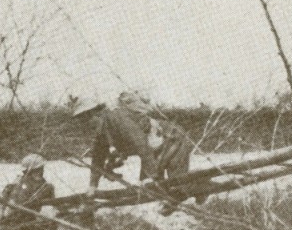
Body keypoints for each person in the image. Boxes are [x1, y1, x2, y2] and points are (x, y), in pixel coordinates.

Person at [72, 92, 201, 214]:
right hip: (155, 148)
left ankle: (201, 187)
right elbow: (98, 158)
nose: (85, 125)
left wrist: (150, 177)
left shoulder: (118, 118)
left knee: (175, 184)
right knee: (156, 189)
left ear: (96, 113)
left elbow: (141, 145)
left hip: (172, 138)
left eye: (85, 120)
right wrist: (92, 186)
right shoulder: (102, 130)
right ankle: (189, 193)